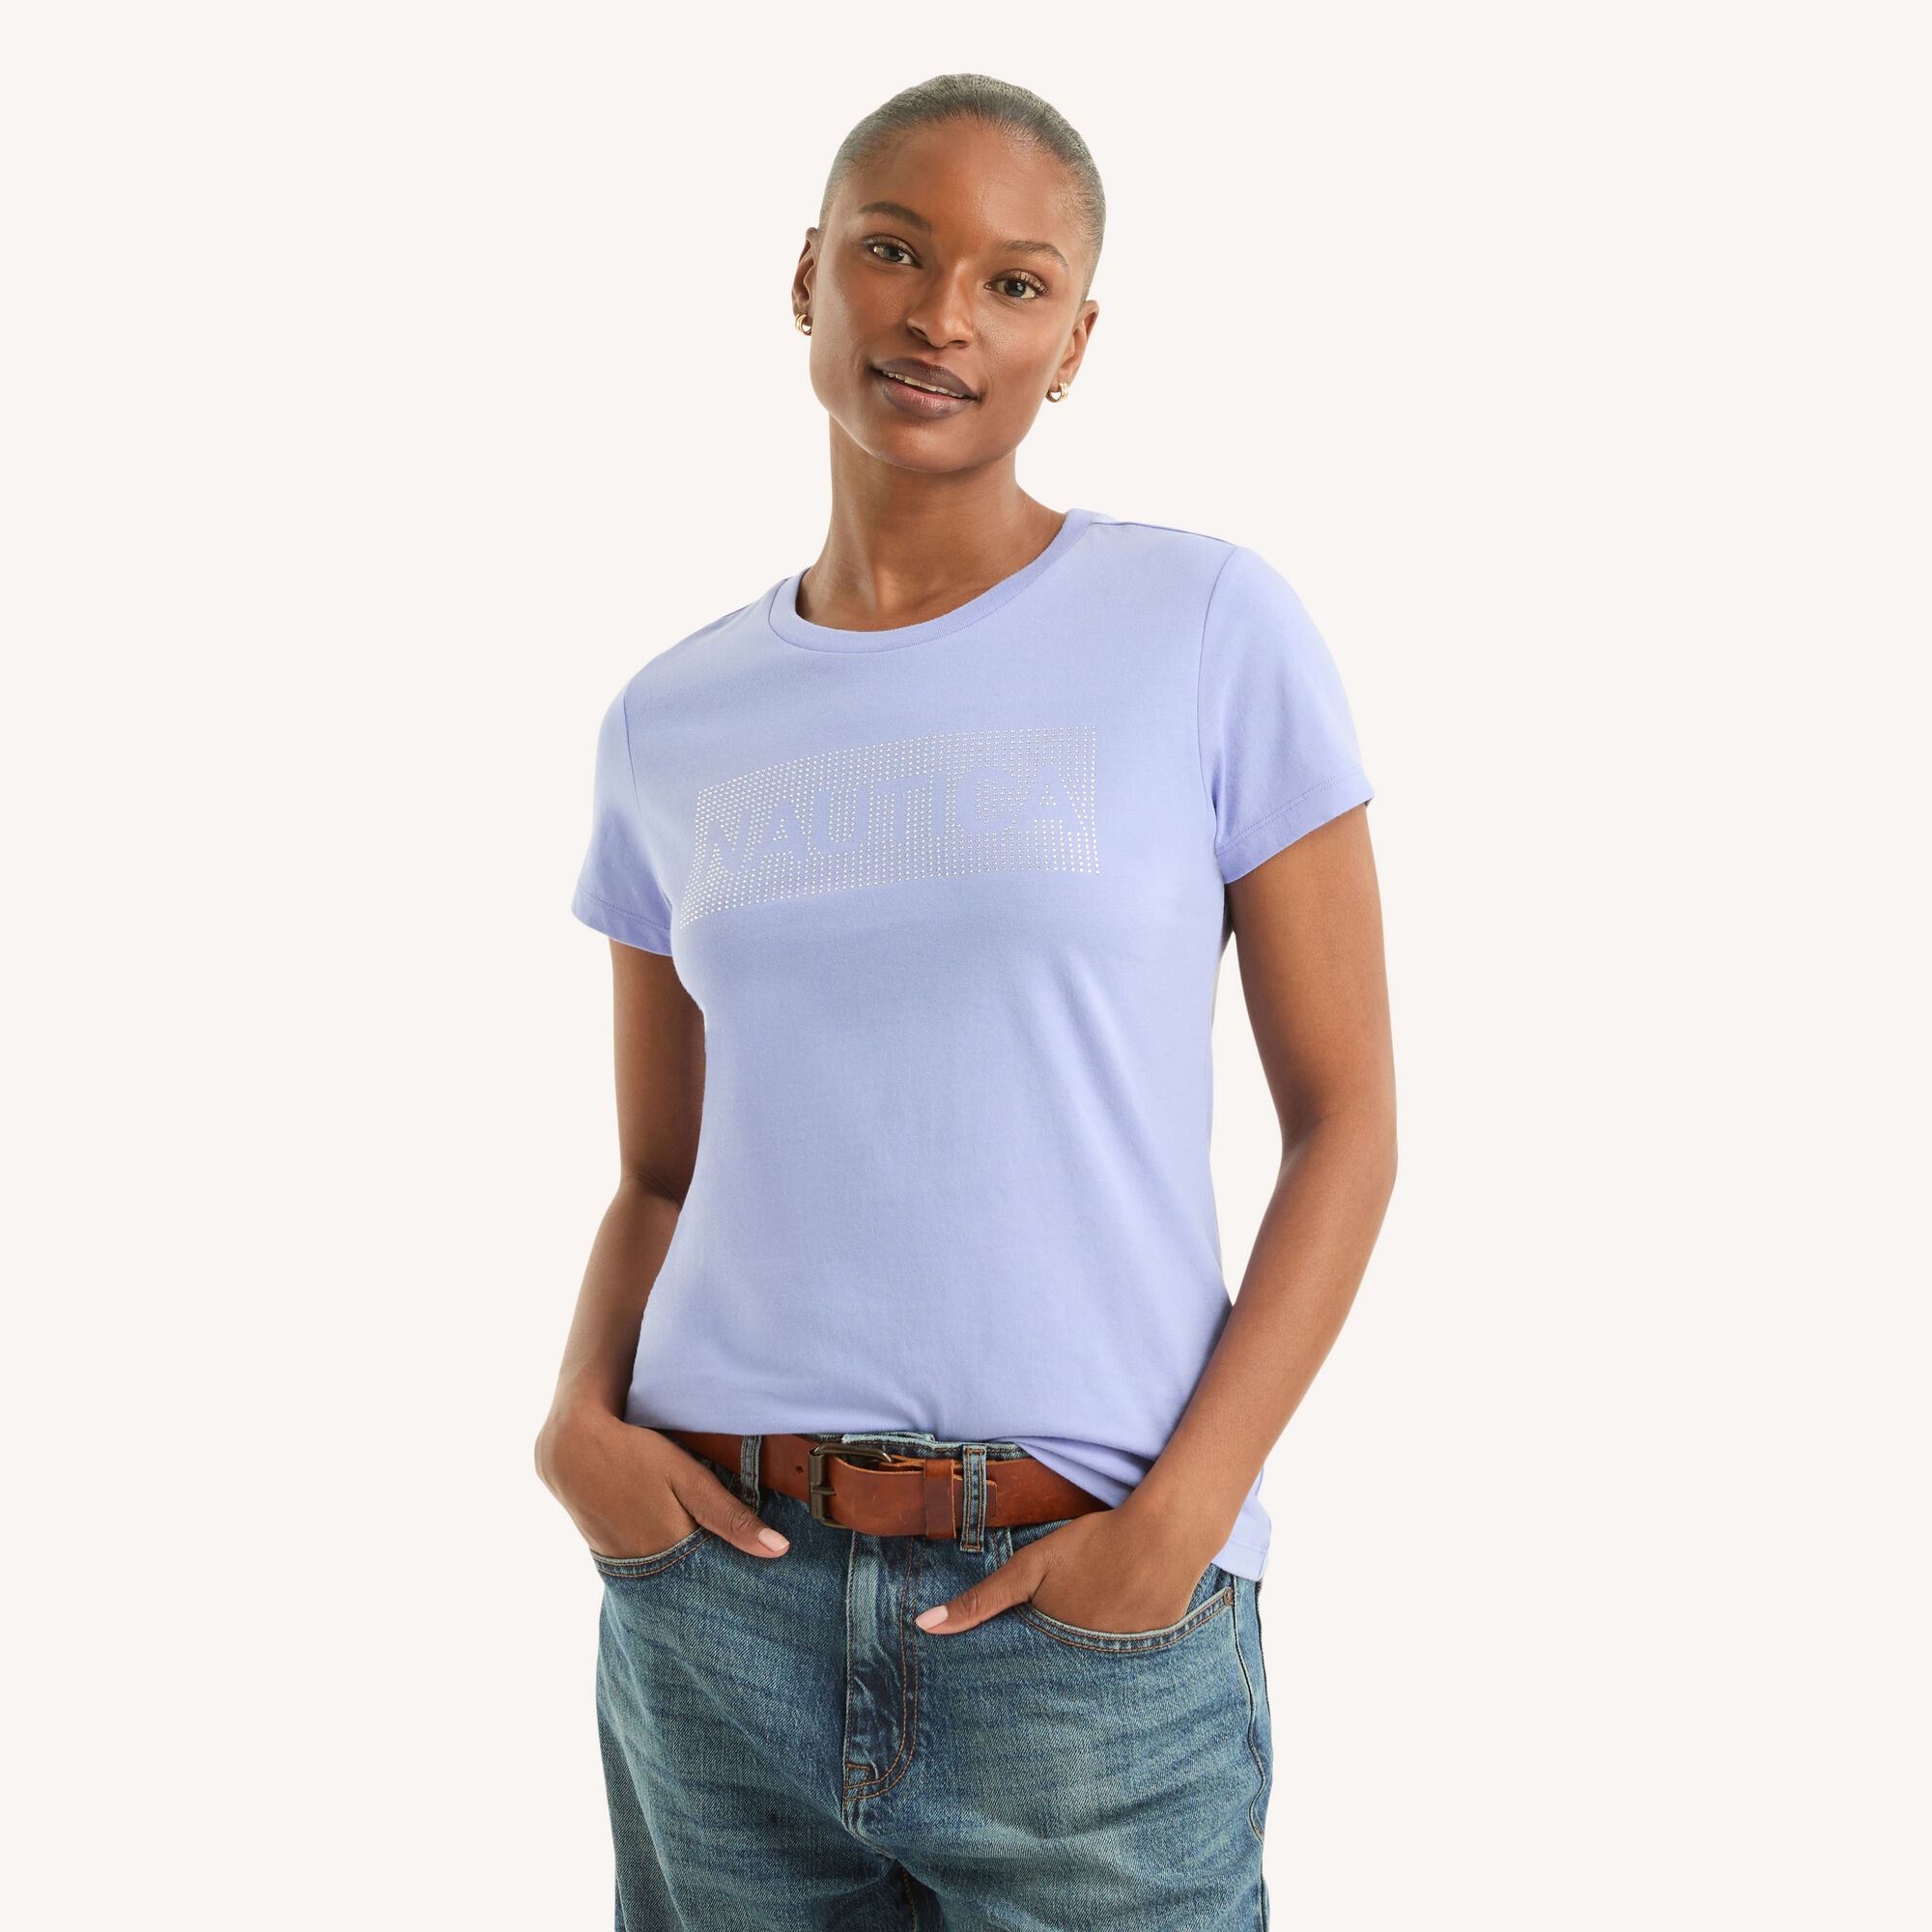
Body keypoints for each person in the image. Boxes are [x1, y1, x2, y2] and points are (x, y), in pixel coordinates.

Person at [536, 71, 1398, 1932]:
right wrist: (575, 1425)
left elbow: (1348, 1126)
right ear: (807, 278)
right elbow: (661, 1176)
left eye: (1015, 283)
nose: (942, 315)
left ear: (1074, 345)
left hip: (1081, 1632)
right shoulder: (669, 720)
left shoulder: (1205, 627)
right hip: (718, 1613)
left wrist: (1181, 1524)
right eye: (894, 251)